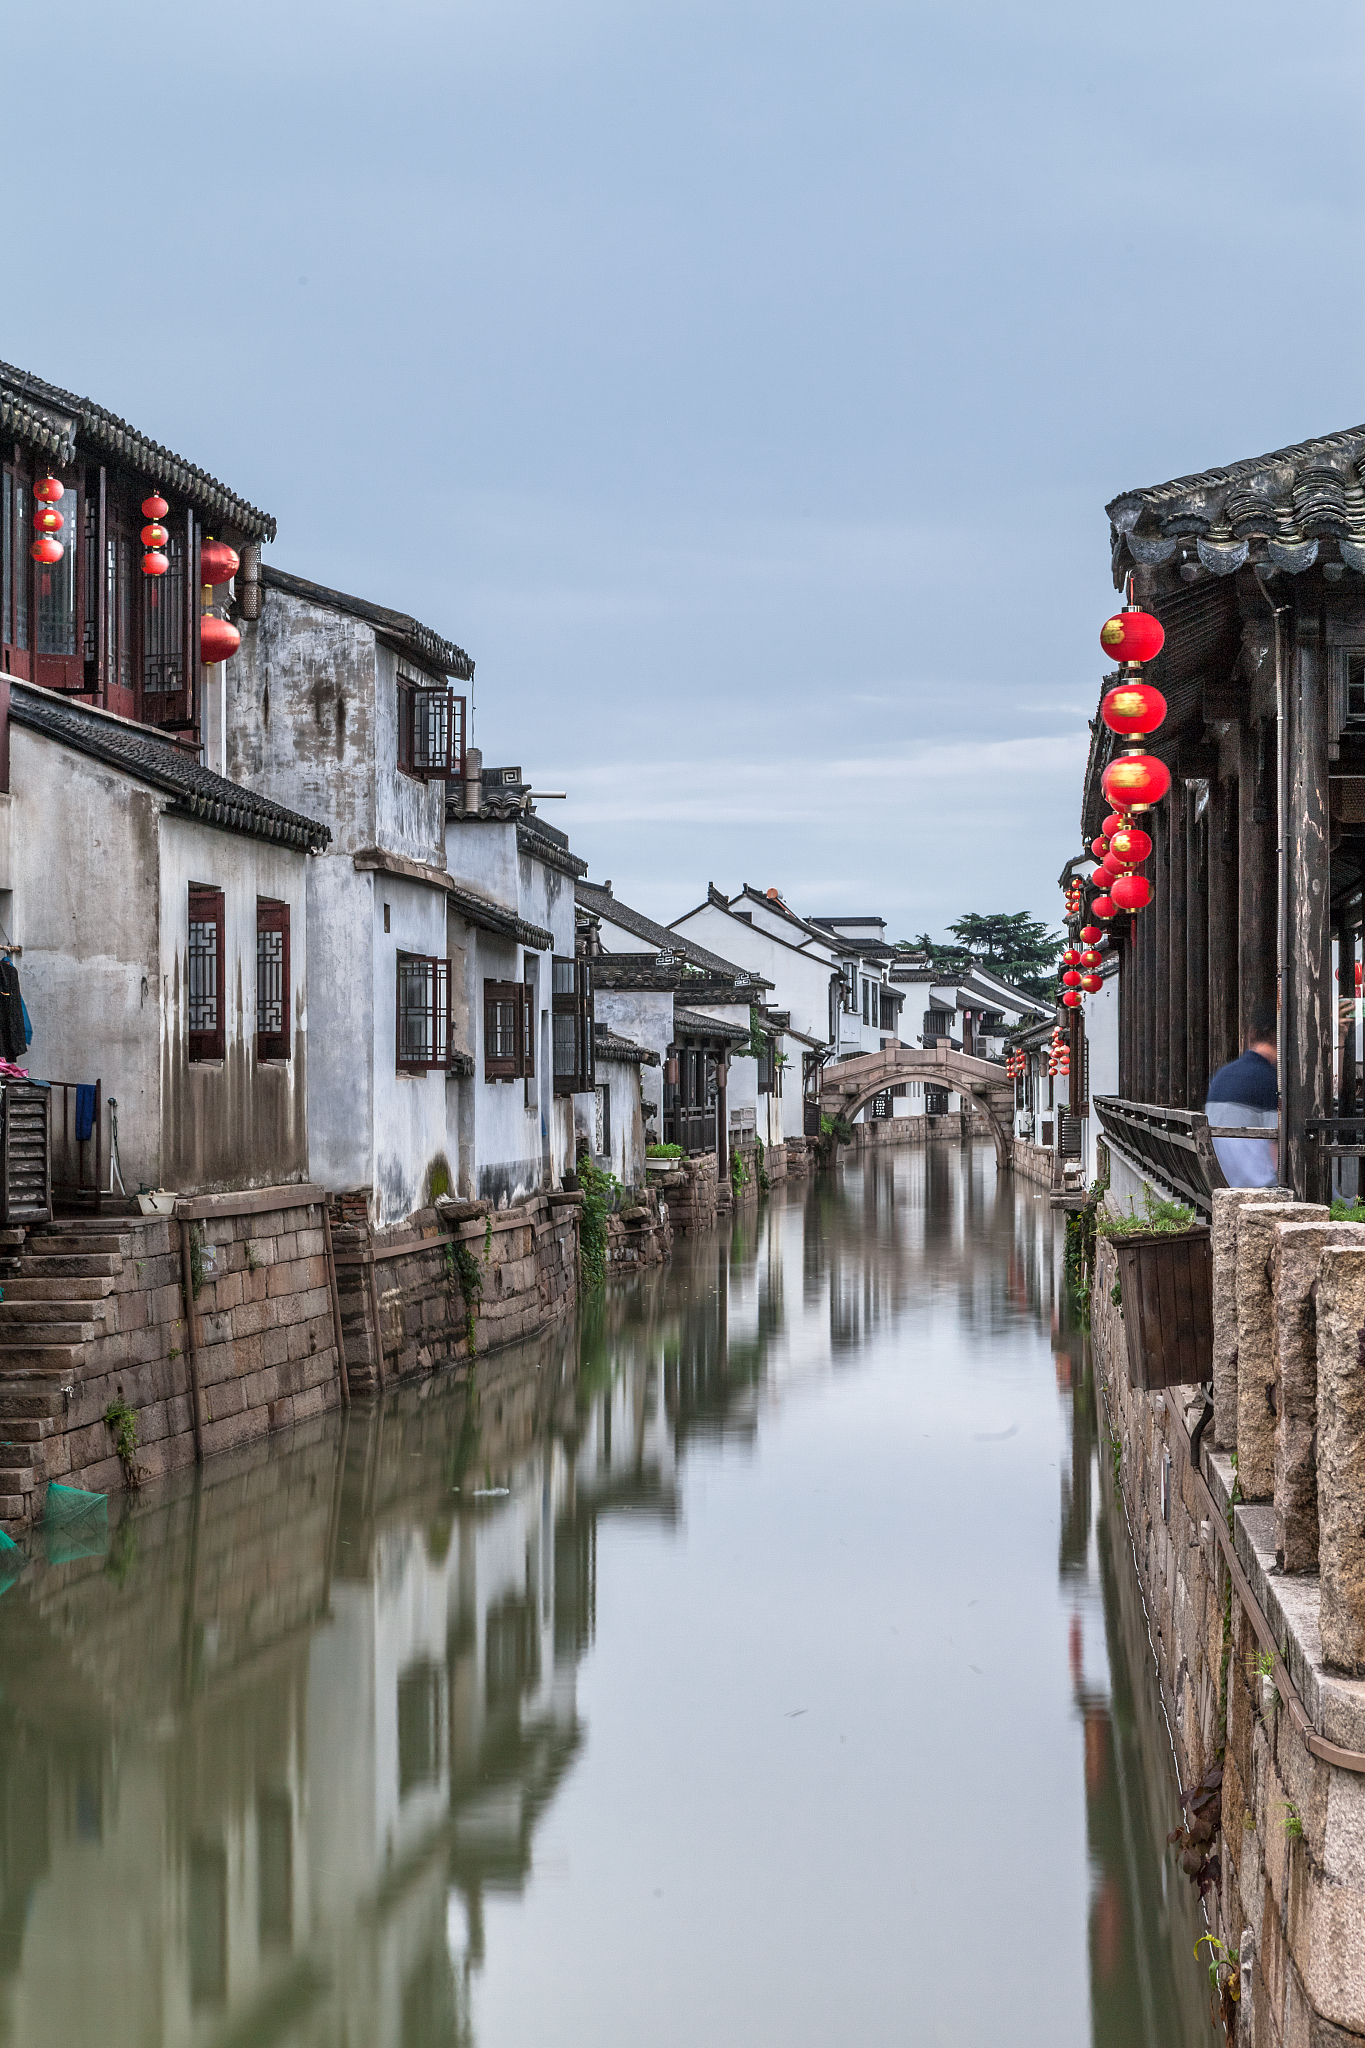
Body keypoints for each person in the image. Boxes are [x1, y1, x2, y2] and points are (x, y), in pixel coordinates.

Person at [1205, 1001, 1279, 1188]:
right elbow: (1280, 1152)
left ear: (1251, 1035)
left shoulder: (1222, 1074)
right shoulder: (1270, 1080)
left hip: (1222, 1183)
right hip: (1258, 1186)